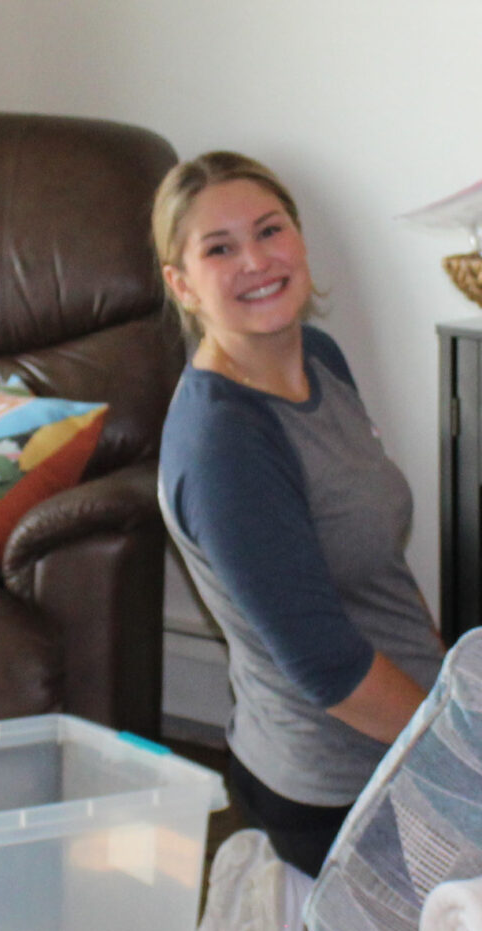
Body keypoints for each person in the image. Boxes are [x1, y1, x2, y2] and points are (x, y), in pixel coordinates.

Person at [153, 153, 441, 887]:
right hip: (338, 788)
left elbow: (377, 562)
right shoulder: (224, 444)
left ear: (299, 240)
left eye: (269, 231)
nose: (256, 261)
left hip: (416, 728)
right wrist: (465, 747)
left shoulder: (319, 355)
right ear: (181, 284)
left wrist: (455, 682)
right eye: (219, 249)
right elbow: (328, 667)